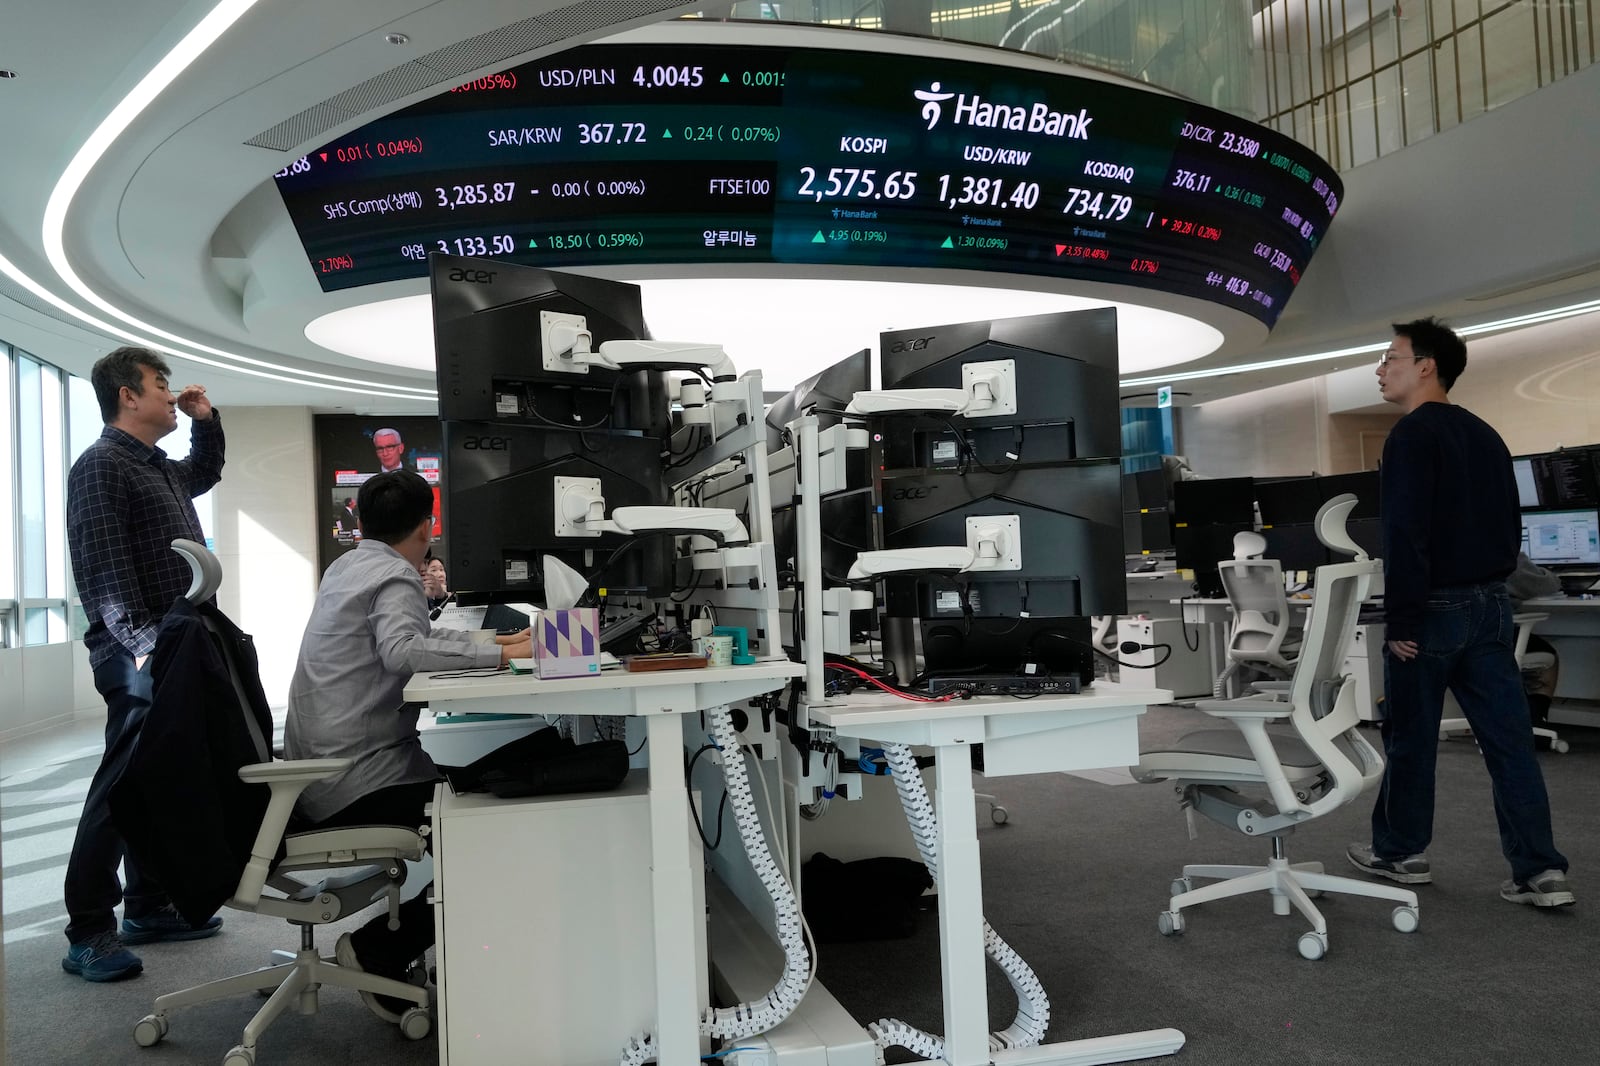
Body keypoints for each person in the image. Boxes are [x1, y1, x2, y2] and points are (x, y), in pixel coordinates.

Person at [284, 471, 530, 1021]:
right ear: (427, 527)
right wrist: (500, 656)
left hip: (321, 770)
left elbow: (411, 639)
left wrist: (492, 642)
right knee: (484, 834)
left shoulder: (348, 566)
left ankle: (393, 946)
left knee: (494, 785)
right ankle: (378, 950)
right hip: (358, 779)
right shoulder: (397, 575)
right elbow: (401, 650)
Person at [1346, 318, 1573, 907]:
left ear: (1427, 366)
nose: (1380, 368)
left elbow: (1405, 533)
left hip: (1434, 610)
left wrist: (1401, 621)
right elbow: (1510, 530)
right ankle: (1541, 872)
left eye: (1391, 357)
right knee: (1509, 743)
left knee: (1411, 737)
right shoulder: (1486, 435)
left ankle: (1399, 854)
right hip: (1492, 606)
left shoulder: (1411, 437)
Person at [62, 347, 226, 982]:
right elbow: (103, 573)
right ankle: (89, 929)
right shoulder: (102, 466)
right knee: (122, 785)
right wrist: (144, 647)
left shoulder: (155, 467)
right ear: (128, 396)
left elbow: (204, 469)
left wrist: (206, 418)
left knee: (161, 777)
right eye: (161, 386)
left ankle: (150, 907)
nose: (170, 396)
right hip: (138, 650)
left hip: (171, 643)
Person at [1506, 550, 1562, 729]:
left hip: (1442, 640)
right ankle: (1536, 722)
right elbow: (1543, 585)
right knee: (1549, 658)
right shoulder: (1503, 550)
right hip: (1491, 640)